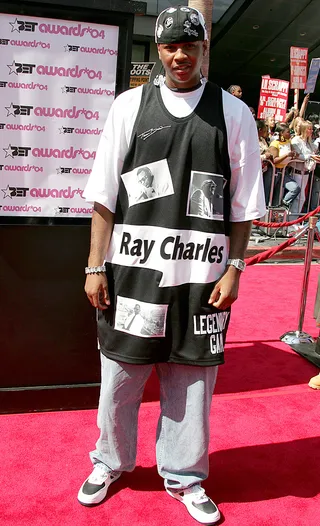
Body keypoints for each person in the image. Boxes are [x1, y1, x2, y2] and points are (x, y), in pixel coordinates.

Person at [78, 5, 266, 525]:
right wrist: (96, 266)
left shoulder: (233, 114)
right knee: (118, 376)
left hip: (201, 281)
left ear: (204, 48)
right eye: (170, 46)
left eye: (191, 45)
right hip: (133, 275)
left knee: (191, 381)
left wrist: (235, 268)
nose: (180, 55)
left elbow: (244, 205)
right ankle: (109, 461)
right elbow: (104, 196)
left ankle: (185, 475)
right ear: (158, 50)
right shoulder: (127, 107)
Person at [291, 120, 320, 214]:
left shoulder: (308, 141)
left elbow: (313, 149)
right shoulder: (296, 140)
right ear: (304, 129)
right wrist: (310, 156)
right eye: (309, 129)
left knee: (302, 198)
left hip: (306, 173)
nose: (311, 131)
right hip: (297, 173)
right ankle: (291, 221)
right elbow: (296, 155)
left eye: (312, 129)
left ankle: (295, 220)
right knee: (299, 197)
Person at [269, 123, 300, 209]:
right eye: (287, 132)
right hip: (274, 173)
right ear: (281, 133)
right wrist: (286, 155)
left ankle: (283, 205)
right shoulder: (274, 144)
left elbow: (293, 153)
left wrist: (295, 155)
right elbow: (274, 160)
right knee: (271, 195)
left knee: (295, 188)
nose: (290, 134)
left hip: (284, 172)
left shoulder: (288, 142)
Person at [256, 119, 274, 206]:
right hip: (254, 171)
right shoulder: (252, 140)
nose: (266, 132)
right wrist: (264, 156)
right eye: (264, 129)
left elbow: (267, 151)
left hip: (264, 170)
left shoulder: (263, 140)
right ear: (260, 130)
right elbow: (253, 157)